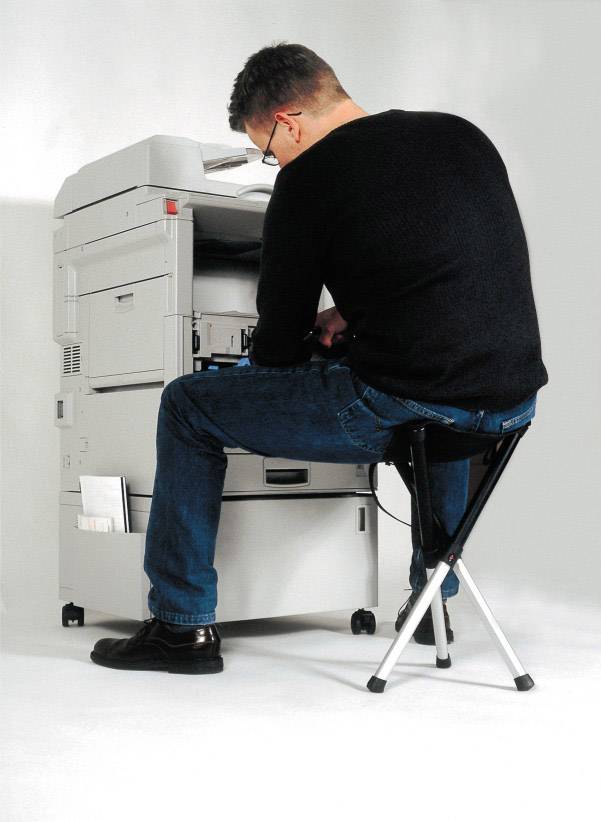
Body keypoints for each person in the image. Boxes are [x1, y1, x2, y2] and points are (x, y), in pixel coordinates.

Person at [90, 42, 548, 674]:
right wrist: (350, 317)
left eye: (268, 149)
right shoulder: (459, 135)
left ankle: (179, 626)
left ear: (287, 119)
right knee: (444, 402)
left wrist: (290, 343)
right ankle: (432, 603)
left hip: (402, 403)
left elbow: (276, 349)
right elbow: (446, 277)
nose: (274, 161)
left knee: (187, 405)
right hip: (509, 405)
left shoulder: (308, 180)